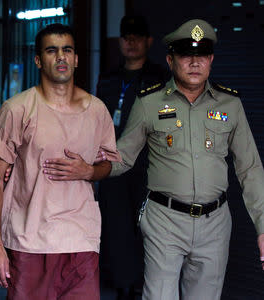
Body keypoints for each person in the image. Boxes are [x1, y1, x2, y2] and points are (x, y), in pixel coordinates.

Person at [105, 19, 264, 300]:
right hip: (164, 219)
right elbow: (123, 158)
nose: (194, 62)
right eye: (185, 55)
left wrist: (263, 227)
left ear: (211, 60)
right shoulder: (148, 103)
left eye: (201, 55)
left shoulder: (230, 105)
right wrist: (90, 168)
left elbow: (250, 168)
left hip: (215, 224)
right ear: (170, 60)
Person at [0, 23, 121, 300]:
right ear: (38, 60)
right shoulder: (17, 109)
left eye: (67, 50)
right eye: (52, 51)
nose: (61, 57)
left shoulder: (97, 110)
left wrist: (89, 170)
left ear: (76, 59)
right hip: (29, 240)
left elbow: (109, 164)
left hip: (80, 239)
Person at [96, 15, 168, 299]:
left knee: (148, 228)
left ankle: (145, 286)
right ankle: (123, 287)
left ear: (148, 41)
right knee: (116, 228)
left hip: (148, 166)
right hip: (113, 165)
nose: (131, 41)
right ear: (120, 41)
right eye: (126, 36)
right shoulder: (109, 77)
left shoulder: (160, 77)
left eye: (137, 36)